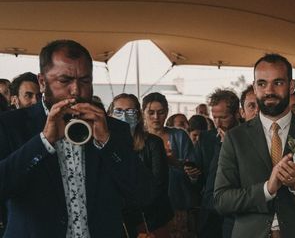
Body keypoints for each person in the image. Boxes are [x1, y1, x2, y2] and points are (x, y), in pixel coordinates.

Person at [0, 39, 152, 238]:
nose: (76, 90)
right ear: (43, 82)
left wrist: (107, 143)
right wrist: (43, 142)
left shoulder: (114, 129)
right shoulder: (12, 124)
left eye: (85, 81)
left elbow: (144, 194)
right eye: (65, 81)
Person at [214, 53, 295, 238]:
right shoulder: (235, 138)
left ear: (291, 86)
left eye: (278, 83)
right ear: (254, 87)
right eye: (262, 83)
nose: (269, 90)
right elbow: (222, 200)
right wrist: (266, 190)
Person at [107, 93, 173, 238]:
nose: (124, 115)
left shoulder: (153, 143)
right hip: (115, 221)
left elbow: (158, 185)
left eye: (130, 111)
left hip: (149, 221)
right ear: (110, 114)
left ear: (138, 116)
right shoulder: (104, 145)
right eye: (118, 111)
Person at [143, 92, 199, 238]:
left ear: (167, 112)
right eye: (151, 112)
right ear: (143, 113)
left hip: (178, 204)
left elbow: (193, 173)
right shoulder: (138, 139)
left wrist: (175, 162)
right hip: (148, 208)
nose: (156, 117)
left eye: (160, 112)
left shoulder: (179, 136)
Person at [193, 88, 241, 237]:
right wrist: (192, 174)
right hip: (209, 208)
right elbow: (200, 175)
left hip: (235, 209)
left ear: (237, 113)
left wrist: (229, 145)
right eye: (215, 117)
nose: (218, 123)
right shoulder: (206, 138)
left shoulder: (246, 137)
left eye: (223, 117)